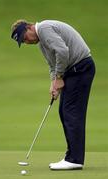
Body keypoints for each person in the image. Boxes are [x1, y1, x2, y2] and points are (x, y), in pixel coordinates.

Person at [11, 19, 95, 170]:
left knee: (71, 113)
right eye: (23, 42)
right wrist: (54, 83)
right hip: (74, 71)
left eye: (25, 38)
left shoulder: (44, 28)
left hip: (80, 69)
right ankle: (72, 156)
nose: (27, 42)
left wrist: (59, 77)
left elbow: (62, 52)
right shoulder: (42, 43)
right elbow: (52, 64)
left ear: (29, 27)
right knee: (64, 112)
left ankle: (75, 159)